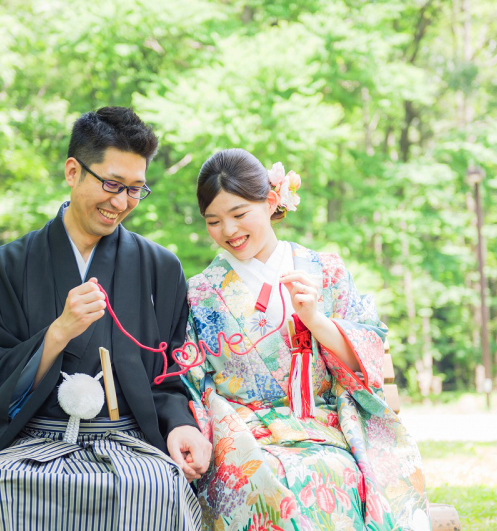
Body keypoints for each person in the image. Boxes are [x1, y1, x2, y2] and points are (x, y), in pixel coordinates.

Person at [0, 107, 211, 530]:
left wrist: (180, 426)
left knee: (158, 491)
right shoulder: (3, 268)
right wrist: (58, 332)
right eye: (112, 184)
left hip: (127, 443)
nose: (121, 202)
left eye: (135, 189)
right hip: (30, 443)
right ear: (73, 171)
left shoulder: (160, 269)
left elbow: (168, 378)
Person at [182, 148, 431, 530]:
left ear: (269, 202)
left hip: (328, 428)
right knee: (267, 480)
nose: (228, 231)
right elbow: (191, 381)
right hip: (243, 437)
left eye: (238, 214)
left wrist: (316, 320)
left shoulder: (326, 271)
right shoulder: (199, 293)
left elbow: (368, 351)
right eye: (213, 221)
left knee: (331, 473)